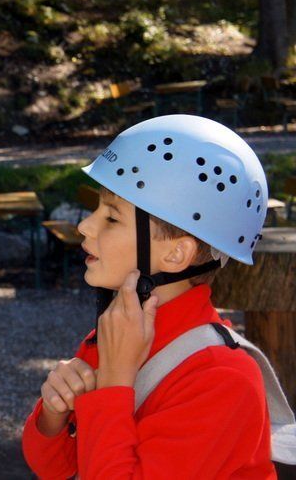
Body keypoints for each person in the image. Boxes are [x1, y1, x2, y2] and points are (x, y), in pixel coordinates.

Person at [22, 115, 278, 478]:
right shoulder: (121, 334)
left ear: (176, 254)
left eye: (112, 218)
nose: (85, 226)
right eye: (97, 209)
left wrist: (114, 384)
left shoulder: (222, 379)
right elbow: (53, 468)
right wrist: (54, 415)